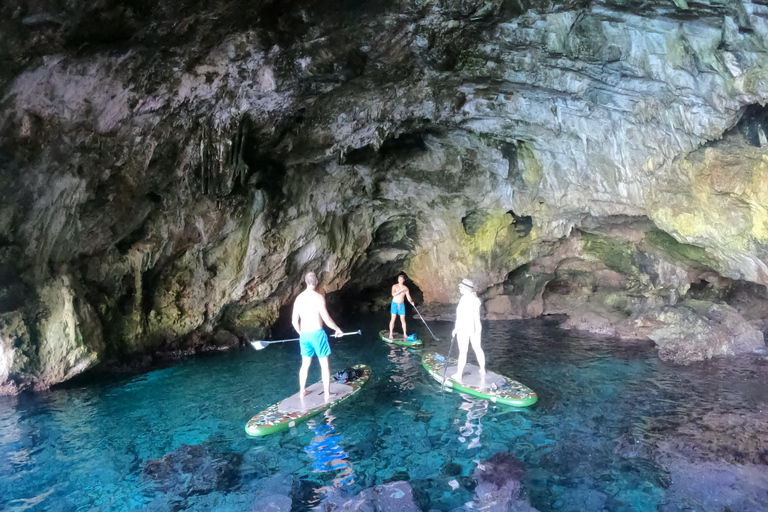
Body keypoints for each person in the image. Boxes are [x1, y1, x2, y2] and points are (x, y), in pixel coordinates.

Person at [292, 271, 343, 403]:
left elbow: (294, 321)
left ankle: (302, 391)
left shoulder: (299, 298)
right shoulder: (319, 297)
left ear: (305, 282)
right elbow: (326, 318)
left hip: (304, 335)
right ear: (316, 282)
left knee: (305, 364)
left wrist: (301, 333)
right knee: (324, 364)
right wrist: (337, 329)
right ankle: (327, 394)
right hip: (317, 334)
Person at [451, 278, 485, 384]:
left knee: (463, 351)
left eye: (460, 286)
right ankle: (483, 370)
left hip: (464, 328)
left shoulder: (465, 299)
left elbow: (462, 316)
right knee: (478, 348)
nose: (459, 288)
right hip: (476, 328)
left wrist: (456, 329)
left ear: (465, 288)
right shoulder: (476, 299)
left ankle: (459, 374)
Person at [389, 274, 414, 340]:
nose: (400, 281)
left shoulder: (406, 288)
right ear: (398, 280)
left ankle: (405, 334)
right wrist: (400, 290)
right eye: (399, 279)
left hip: (402, 304)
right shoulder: (394, 286)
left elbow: (408, 296)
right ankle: (391, 334)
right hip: (394, 304)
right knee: (393, 319)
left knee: (403, 320)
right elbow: (393, 294)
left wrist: (411, 301)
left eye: (401, 280)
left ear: (403, 280)